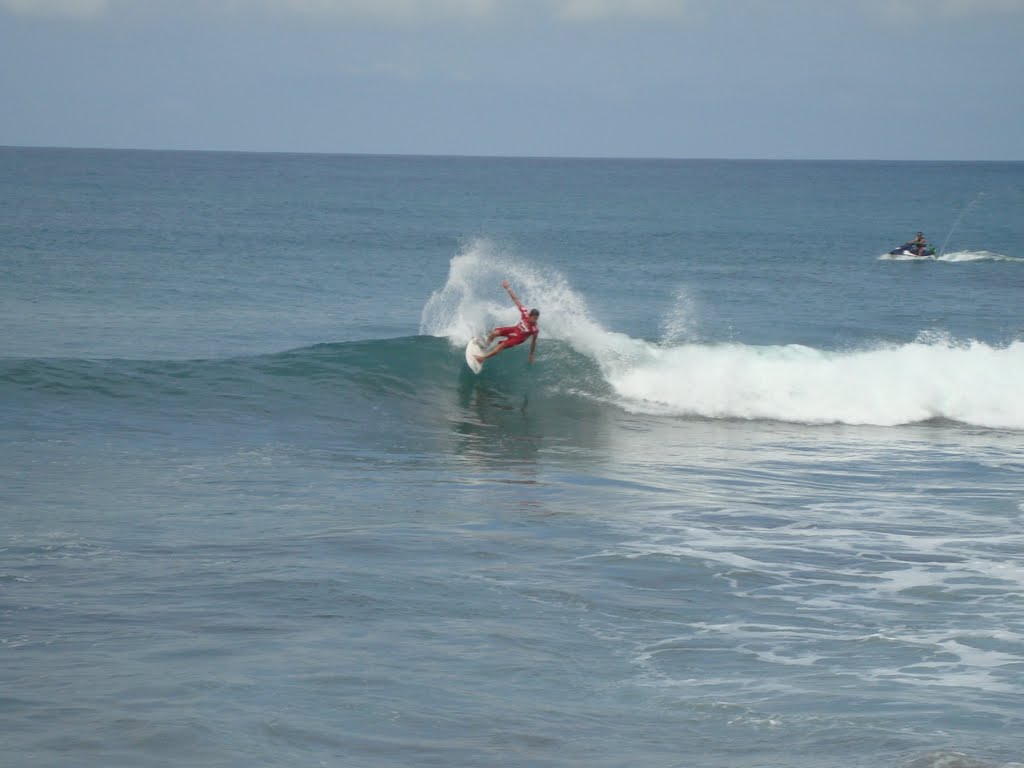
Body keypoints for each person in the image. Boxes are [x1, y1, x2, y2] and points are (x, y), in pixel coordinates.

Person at [476, 280, 539, 365]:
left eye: (536, 319)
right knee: (494, 333)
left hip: (517, 339)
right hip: (514, 330)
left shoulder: (535, 329)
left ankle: (482, 358)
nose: (535, 321)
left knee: (501, 346)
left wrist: (531, 354)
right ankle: (485, 346)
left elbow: (533, 342)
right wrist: (508, 288)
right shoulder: (525, 313)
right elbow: (515, 299)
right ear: (530, 315)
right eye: (534, 318)